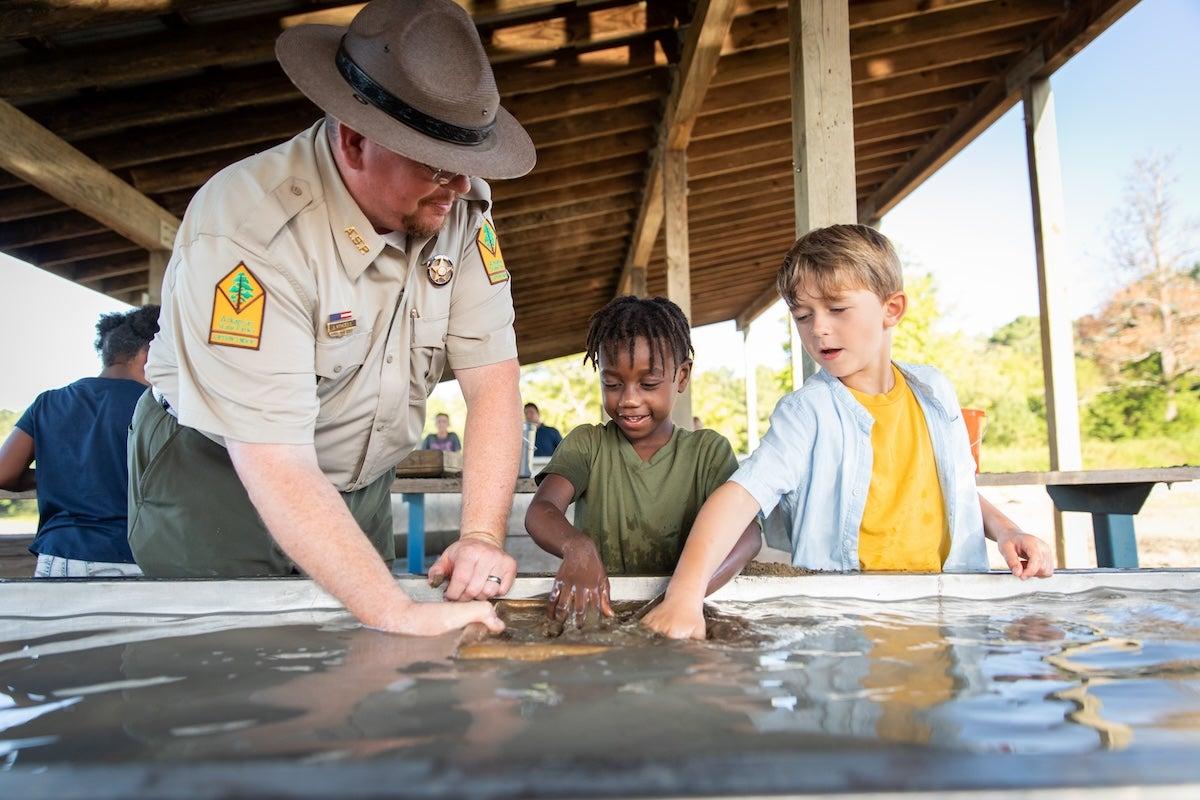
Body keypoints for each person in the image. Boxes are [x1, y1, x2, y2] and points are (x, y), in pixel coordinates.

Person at [128, 0, 537, 636]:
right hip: (220, 476)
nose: (459, 186)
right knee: (219, 683)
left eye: (469, 164)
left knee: (356, 683)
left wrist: (482, 534)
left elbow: (494, 380)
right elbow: (273, 458)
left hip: (359, 480)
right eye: (435, 162)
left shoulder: (457, 207)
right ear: (353, 139)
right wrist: (394, 609)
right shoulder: (250, 231)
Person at [644, 225, 1054, 640]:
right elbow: (738, 498)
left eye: (837, 309)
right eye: (803, 316)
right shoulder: (806, 414)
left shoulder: (935, 392)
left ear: (891, 309)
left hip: (950, 617)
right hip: (846, 627)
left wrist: (1008, 531)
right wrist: (684, 595)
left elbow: (956, 486)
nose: (818, 328)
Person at [525, 296, 761, 626]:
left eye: (648, 384)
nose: (629, 400)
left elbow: (747, 535)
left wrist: (680, 598)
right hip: (603, 612)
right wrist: (577, 548)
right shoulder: (588, 444)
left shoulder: (708, 453)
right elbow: (541, 510)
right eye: (612, 383)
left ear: (681, 376)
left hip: (687, 611)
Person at [0, 307, 159, 577]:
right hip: (134, 556)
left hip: (58, 557)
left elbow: (4, 473)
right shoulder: (155, 409)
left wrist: (60, 476)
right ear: (147, 356)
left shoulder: (48, 402)